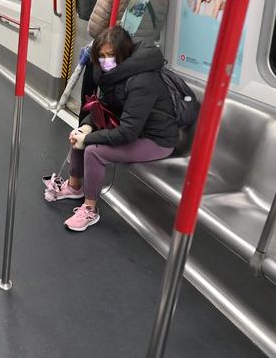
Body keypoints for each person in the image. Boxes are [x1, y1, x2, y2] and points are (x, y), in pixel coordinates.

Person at [48, 26, 179, 231]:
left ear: (123, 54)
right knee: (80, 134)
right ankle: (74, 187)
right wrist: (87, 128)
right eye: (101, 56)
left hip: (156, 139)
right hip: (134, 129)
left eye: (110, 55)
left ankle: (90, 209)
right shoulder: (116, 73)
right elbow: (104, 105)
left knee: (94, 151)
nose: (105, 60)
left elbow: (128, 132)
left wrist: (90, 139)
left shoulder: (142, 81)